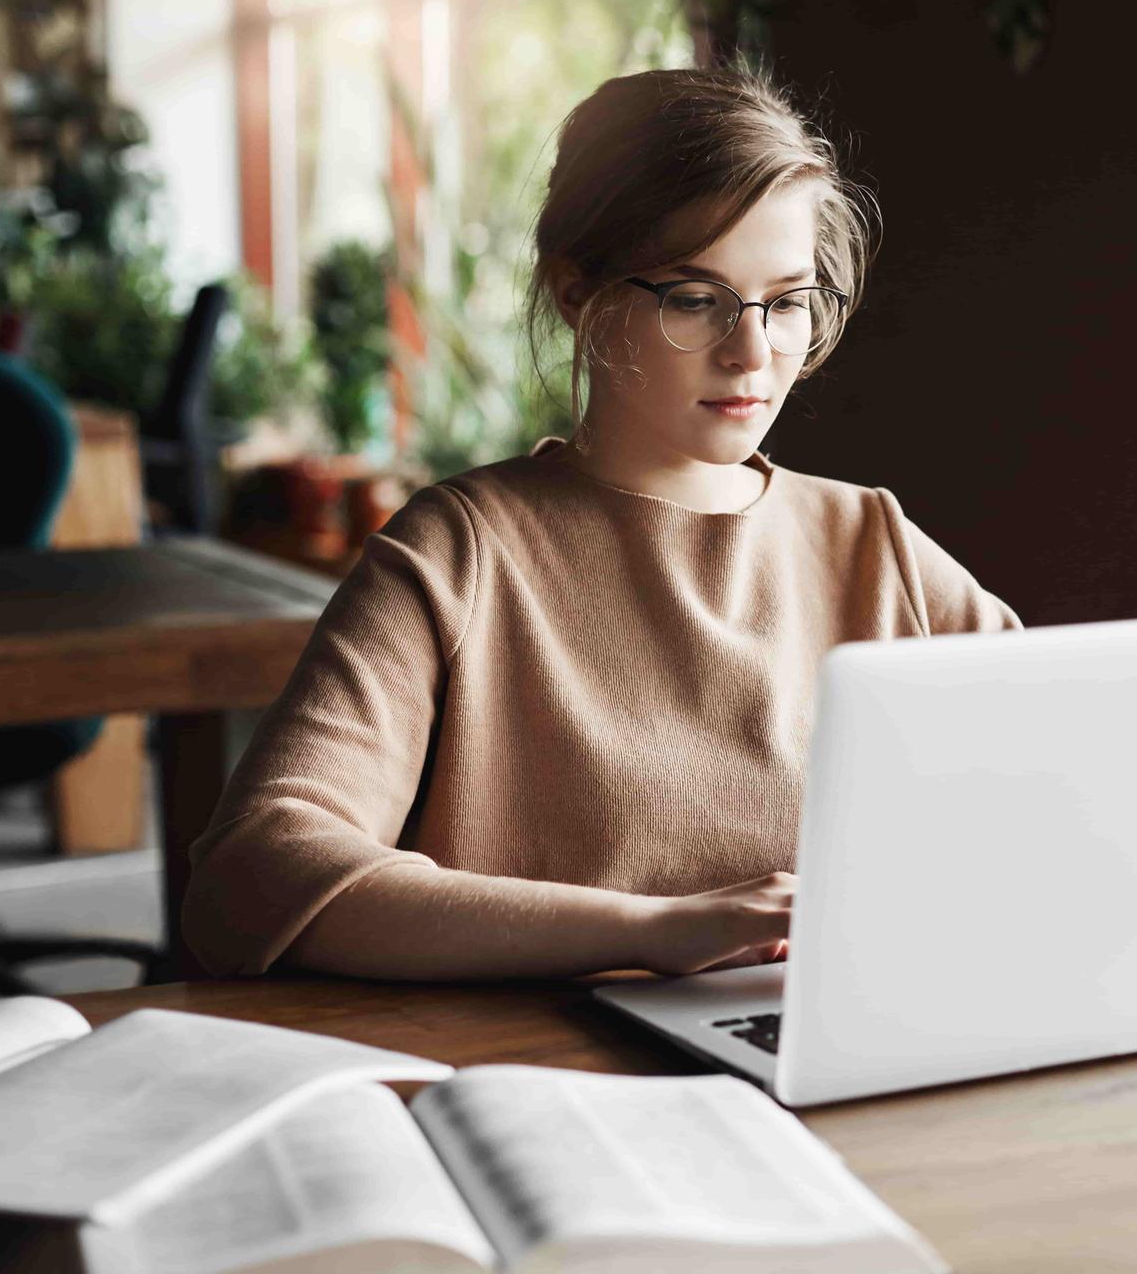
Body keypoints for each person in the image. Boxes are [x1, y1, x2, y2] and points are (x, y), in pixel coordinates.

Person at [180, 64, 1021, 983]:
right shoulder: (460, 553)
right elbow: (253, 876)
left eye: (785, 303)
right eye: (696, 299)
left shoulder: (876, 546)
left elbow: (1067, 790)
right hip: (547, 1080)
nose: (753, 354)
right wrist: (645, 931)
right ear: (576, 290)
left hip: (833, 1061)